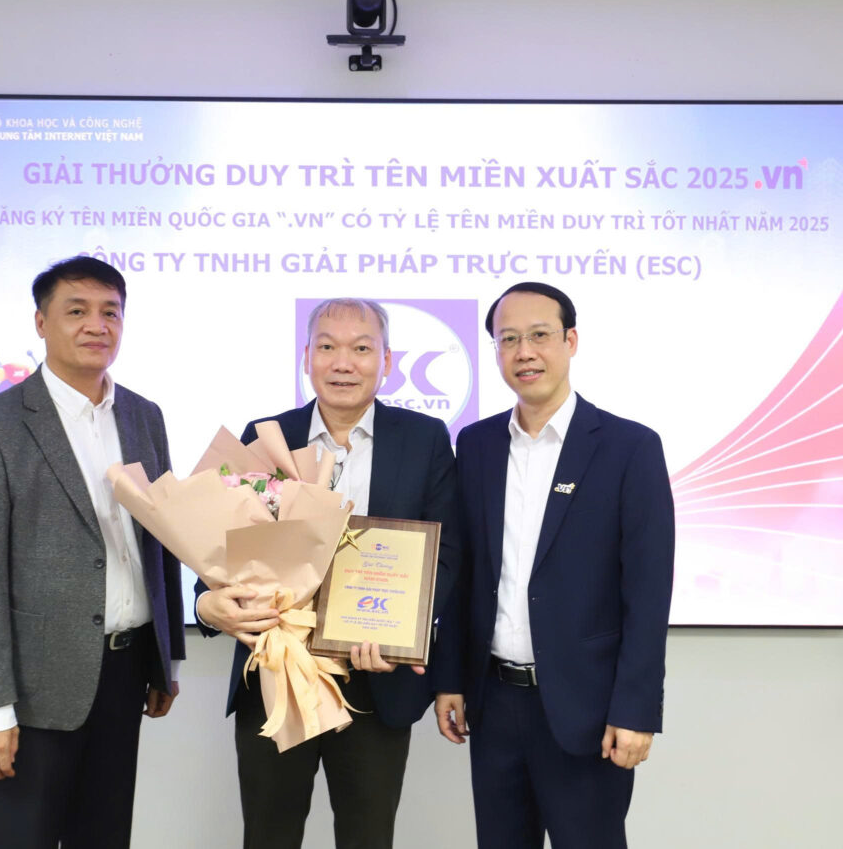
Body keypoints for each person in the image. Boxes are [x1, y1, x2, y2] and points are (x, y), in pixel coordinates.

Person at [196, 298, 460, 849]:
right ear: (306, 357)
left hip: (376, 677)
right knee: (269, 835)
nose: (343, 362)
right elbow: (221, 546)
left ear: (386, 361)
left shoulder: (425, 438)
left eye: (361, 348)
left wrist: (403, 632)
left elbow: (448, 552)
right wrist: (205, 603)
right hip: (277, 671)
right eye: (327, 346)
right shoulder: (268, 434)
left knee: (368, 837)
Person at [0, 255, 185, 848]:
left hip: (126, 671)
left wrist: (166, 659)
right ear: (40, 322)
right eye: (76, 311)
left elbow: (163, 540)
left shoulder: (144, 416)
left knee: (104, 837)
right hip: (35, 686)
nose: (96, 325)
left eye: (110, 313)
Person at [433, 281, 674, 849]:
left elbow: (648, 593)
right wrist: (449, 679)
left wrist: (637, 710)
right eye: (508, 339)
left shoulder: (629, 447)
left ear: (571, 341)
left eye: (539, 335)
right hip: (493, 704)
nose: (525, 352)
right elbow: (463, 575)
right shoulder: (477, 445)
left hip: (586, 711)